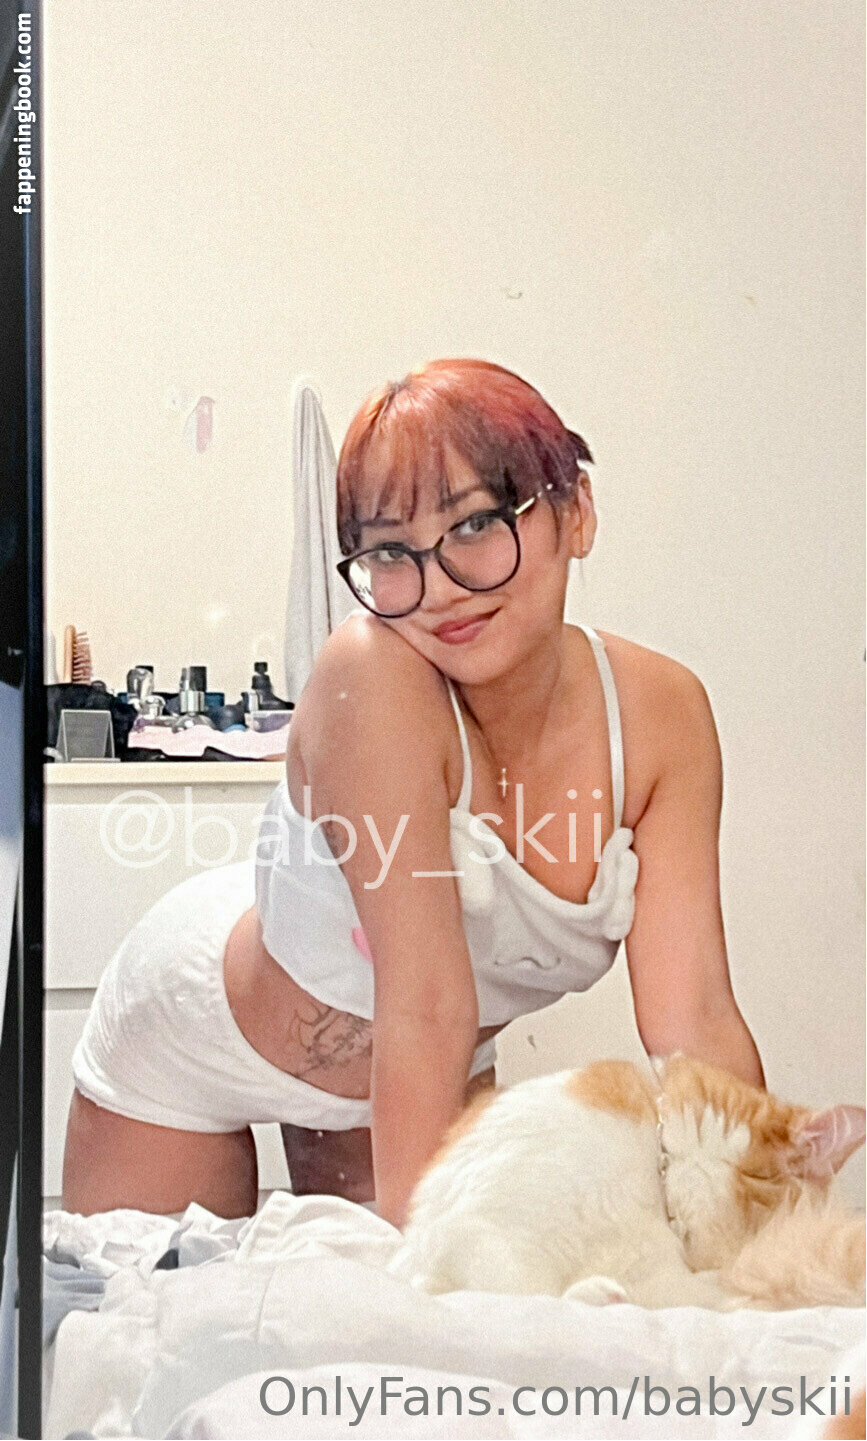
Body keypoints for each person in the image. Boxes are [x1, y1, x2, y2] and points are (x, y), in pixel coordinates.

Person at [62, 358, 763, 1225]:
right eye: (392, 551)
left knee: (414, 1286)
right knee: (173, 1298)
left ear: (576, 512)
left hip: (417, 1052)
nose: (440, 588)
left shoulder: (660, 715)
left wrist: (755, 1231)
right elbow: (426, 1001)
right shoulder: (373, 677)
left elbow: (694, 1017)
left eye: (475, 524)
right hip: (202, 1034)